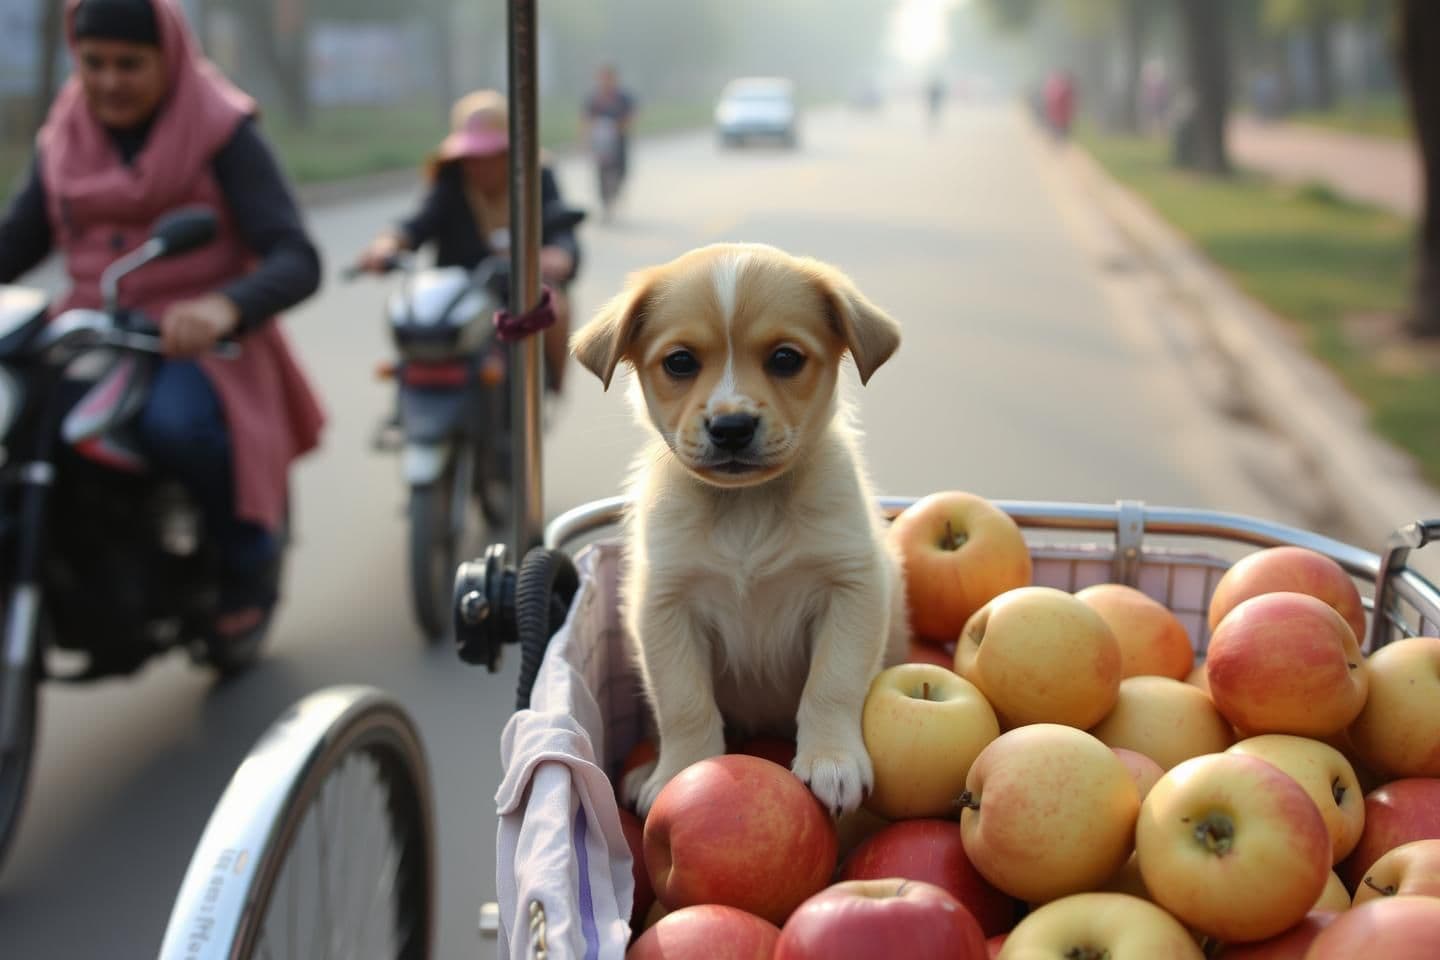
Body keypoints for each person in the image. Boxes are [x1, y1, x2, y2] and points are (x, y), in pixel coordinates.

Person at [0, 0, 326, 643]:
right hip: (87, 331)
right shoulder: (63, 133)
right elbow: (18, 240)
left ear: (168, 59)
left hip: (195, 342)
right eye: (94, 63)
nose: (109, 81)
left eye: (129, 64)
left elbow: (296, 256)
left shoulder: (222, 128)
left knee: (178, 427)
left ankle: (247, 561)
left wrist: (224, 306)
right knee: (25, 425)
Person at [358, 90, 581, 395]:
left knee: (554, 309)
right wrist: (388, 243)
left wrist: (558, 254)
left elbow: (560, 230)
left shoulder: (537, 177)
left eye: (492, 157)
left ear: (512, 154)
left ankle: (549, 387)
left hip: (516, 285)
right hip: (458, 289)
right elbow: (419, 222)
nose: (480, 167)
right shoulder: (451, 180)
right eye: (473, 158)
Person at [581, 65, 636, 220]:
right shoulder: (594, 98)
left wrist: (619, 127)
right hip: (601, 142)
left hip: (619, 140)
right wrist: (585, 139)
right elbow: (586, 118)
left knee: (621, 171)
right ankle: (606, 203)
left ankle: (616, 193)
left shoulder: (623, 97)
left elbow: (632, 114)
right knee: (601, 173)